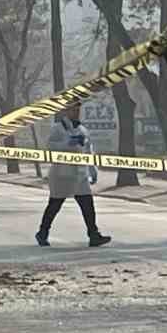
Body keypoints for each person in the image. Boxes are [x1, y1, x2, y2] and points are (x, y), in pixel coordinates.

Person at [37, 100, 111, 248]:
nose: (75, 113)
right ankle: (43, 233)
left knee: (87, 205)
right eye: (72, 110)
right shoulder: (57, 129)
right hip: (61, 173)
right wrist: (67, 143)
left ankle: (94, 235)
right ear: (65, 111)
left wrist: (92, 170)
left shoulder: (83, 129)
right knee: (55, 205)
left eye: (77, 110)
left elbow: (88, 151)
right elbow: (49, 147)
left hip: (80, 174)